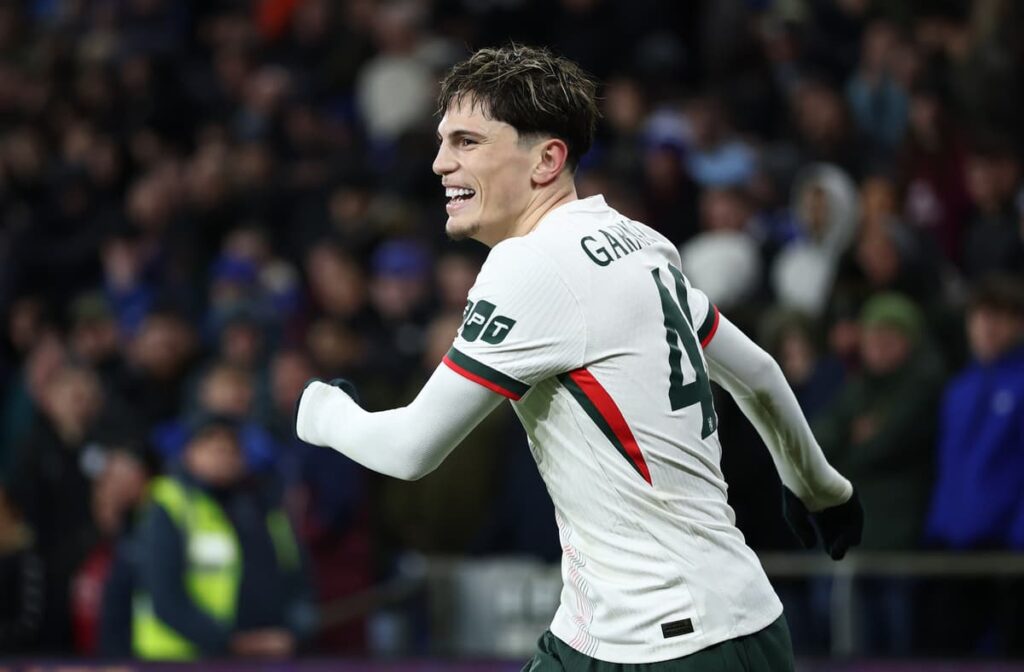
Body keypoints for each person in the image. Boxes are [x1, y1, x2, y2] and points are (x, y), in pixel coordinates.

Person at [296, 45, 862, 670]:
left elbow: (411, 449)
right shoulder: (640, 241)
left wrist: (321, 412)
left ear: (546, 160)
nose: (440, 163)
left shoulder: (532, 264)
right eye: (442, 142)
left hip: (671, 643)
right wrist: (822, 489)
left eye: (467, 142)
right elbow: (757, 374)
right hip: (674, 624)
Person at [132, 415, 314, 660]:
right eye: (212, 448)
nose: (222, 457)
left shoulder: (266, 508)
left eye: (230, 449)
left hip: (262, 657)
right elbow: (165, 597)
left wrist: (293, 631)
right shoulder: (170, 503)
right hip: (180, 659)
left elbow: (297, 580)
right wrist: (233, 643)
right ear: (188, 453)